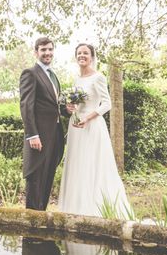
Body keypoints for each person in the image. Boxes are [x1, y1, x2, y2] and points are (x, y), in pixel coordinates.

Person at [58, 43, 131, 218]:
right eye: (79, 53)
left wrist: (88, 117)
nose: (82, 55)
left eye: (85, 53)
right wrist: (70, 107)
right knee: (78, 164)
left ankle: (95, 208)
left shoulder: (98, 77)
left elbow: (107, 104)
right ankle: (76, 208)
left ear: (92, 56)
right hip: (76, 127)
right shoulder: (76, 79)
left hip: (92, 126)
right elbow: (76, 104)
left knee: (92, 164)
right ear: (76, 57)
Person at [19, 36, 66, 211]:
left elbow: (54, 106)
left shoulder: (53, 75)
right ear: (36, 52)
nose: (47, 53)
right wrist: (32, 134)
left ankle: (42, 216)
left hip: (54, 134)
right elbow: (26, 106)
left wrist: (67, 109)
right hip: (38, 136)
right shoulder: (30, 73)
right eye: (43, 50)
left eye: (50, 49)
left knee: (48, 176)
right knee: (36, 176)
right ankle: (32, 220)